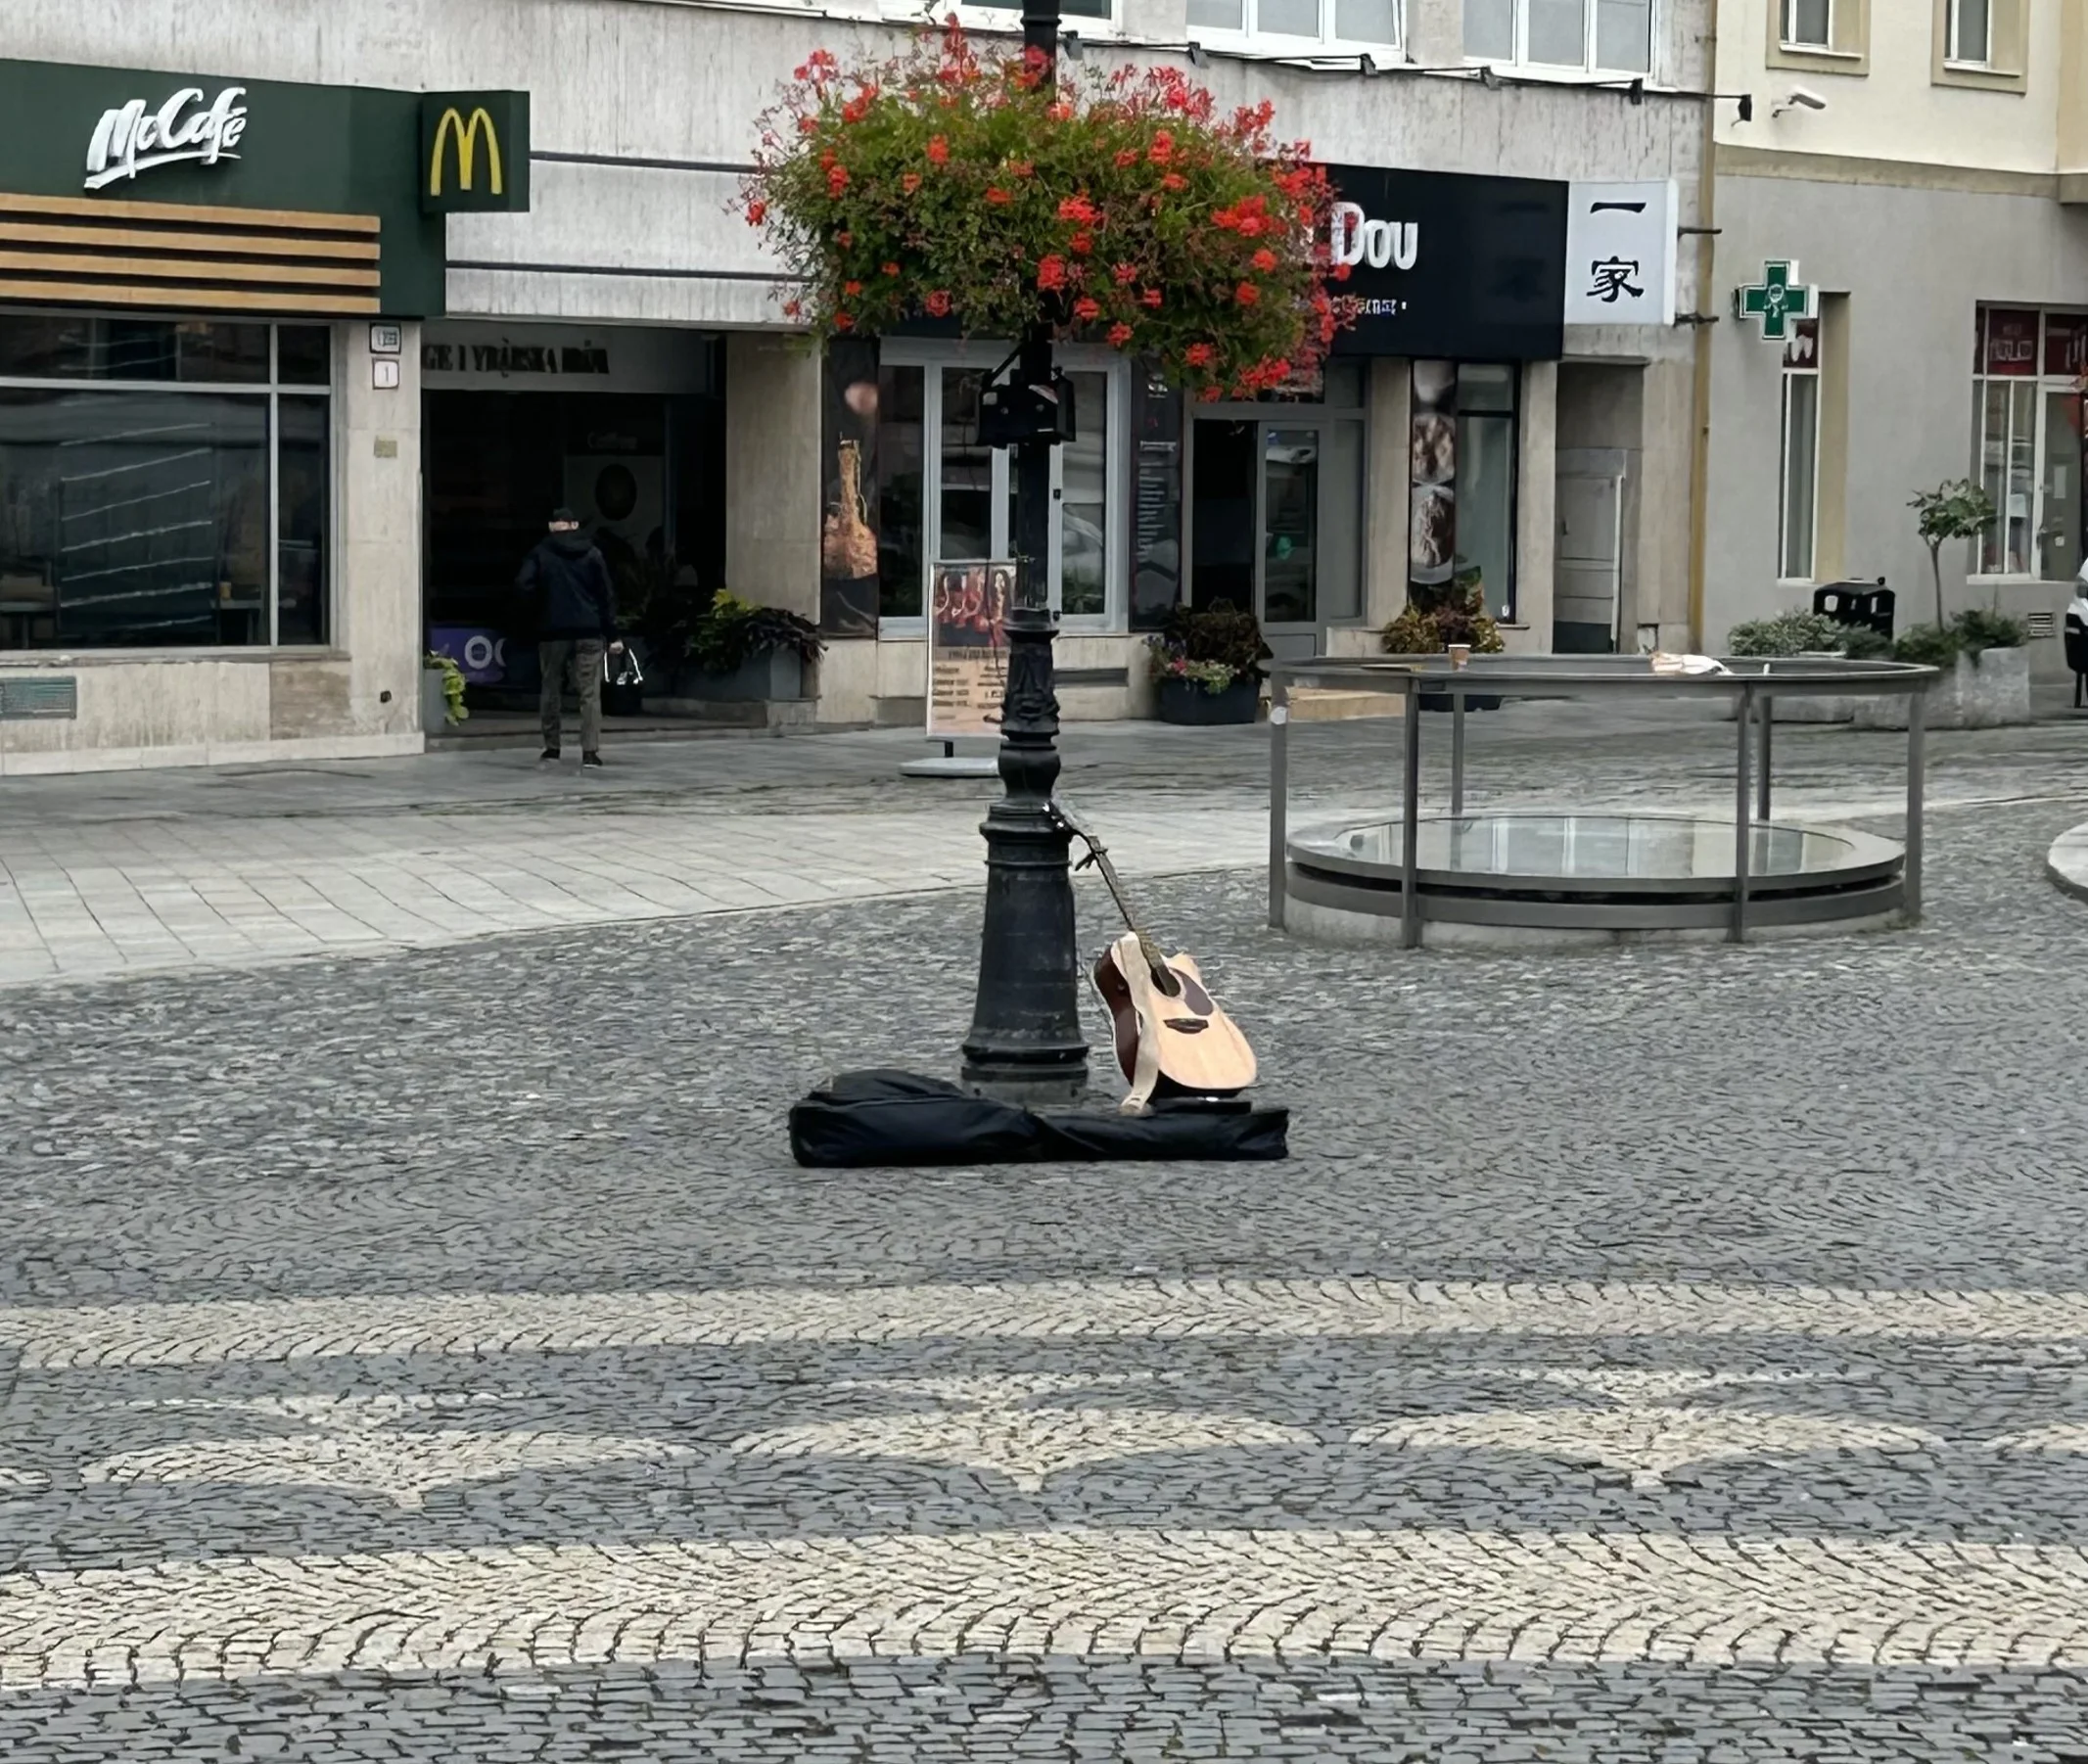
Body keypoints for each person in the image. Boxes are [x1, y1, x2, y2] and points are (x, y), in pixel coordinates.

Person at [517, 507, 622, 767]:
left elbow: (523, 585)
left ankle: (552, 748)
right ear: (574, 525)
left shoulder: (540, 553)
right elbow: (606, 595)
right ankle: (590, 752)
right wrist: (613, 634)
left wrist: (537, 614)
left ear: (552, 526)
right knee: (589, 693)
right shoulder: (592, 553)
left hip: (552, 632)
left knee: (551, 687)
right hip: (589, 631)